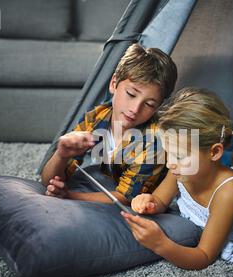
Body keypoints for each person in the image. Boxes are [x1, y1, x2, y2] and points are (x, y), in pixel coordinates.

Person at [121, 88, 233, 268]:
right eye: (169, 154)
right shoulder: (181, 169)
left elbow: (204, 256)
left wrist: (160, 244)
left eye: (179, 156)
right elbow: (160, 200)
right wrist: (147, 202)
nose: (170, 164)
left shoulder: (229, 192)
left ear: (214, 152)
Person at [41, 43, 178, 205]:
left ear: (158, 107)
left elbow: (128, 197)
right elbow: (47, 180)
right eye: (131, 94)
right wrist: (61, 155)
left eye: (149, 104)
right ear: (114, 84)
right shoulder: (97, 116)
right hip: (110, 180)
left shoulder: (154, 141)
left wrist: (70, 196)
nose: (135, 109)